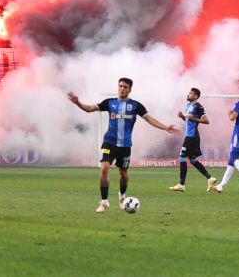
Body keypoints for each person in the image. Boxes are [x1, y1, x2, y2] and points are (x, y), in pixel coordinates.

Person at [67, 78, 177, 213]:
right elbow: (90, 109)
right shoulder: (109, 103)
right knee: (104, 168)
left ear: (129, 90)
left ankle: (122, 196)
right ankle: (104, 202)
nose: (122, 89)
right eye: (120, 86)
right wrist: (78, 102)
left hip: (125, 146)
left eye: (125, 87)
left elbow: (150, 120)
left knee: (123, 174)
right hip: (109, 142)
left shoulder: (136, 105)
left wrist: (165, 127)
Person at [169, 87, 214, 192]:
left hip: (192, 136)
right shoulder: (188, 106)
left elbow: (207, 121)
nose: (188, 95)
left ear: (196, 96)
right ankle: (210, 178)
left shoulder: (198, 106)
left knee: (181, 157)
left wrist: (194, 118)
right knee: (193, 160)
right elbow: (189, 122)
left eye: (190, 94)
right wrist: (182, 117)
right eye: (188, 93)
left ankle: (181, 185)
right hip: (190, 135)